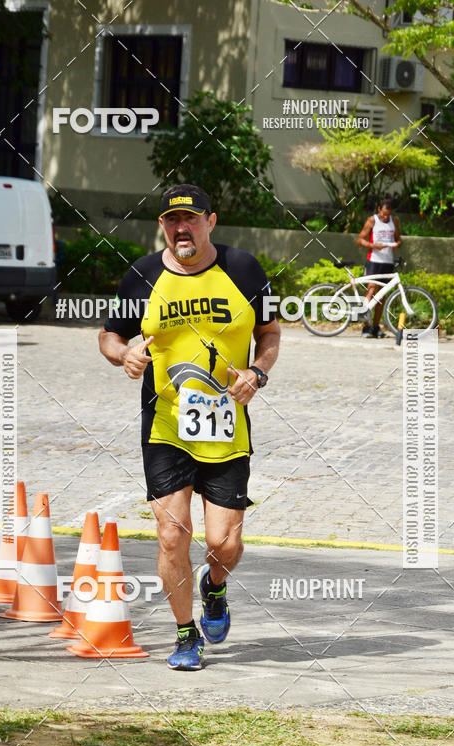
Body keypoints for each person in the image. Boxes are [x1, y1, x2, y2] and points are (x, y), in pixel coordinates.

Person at [99, 184, 280, 670]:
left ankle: (214, 588)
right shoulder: (143, 274)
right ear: (162, 225)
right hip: (166, 426)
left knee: (225, 543)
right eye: (172, 220)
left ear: (211, 221)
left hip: (226, 426)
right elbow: (110, 335)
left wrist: (257, 373)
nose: (182, 228)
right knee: (172, 534)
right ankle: (185, 634)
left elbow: (270, 333)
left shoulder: (243, 270)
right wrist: (125, 354)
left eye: (192, 219)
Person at [357, 198, 402, 338]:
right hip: (374, 260)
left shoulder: (394, 222)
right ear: (378, 209)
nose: (385, 217)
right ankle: (365, 326)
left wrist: (397, 244)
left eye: (388, 214)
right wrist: (374, 246)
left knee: (382, 296)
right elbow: (360, 239)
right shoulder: (372, 220)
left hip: (387, 262)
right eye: (383, 214)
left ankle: (376, 326)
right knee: (371, 290)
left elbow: (398, 238)